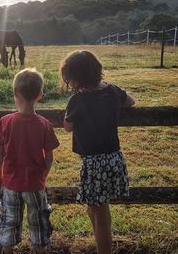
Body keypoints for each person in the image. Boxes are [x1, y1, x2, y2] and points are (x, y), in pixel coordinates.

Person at [60, 50, 135, 254]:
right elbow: (131, 101)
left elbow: (68, 126)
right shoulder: (112, 91)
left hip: (94, 163)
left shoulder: (78, 100)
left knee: (100, 215)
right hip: (113, 158)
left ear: (75, 77)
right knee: (94, 208)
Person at [0, 68, 60, 254]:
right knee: (38, 221)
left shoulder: (5, 122)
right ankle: (39, 249)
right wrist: (43, 177)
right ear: (40, 95)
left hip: (10, 184)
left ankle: (7, 250)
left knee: (10, 221)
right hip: (35, 184)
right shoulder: (45, 125)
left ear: (15, 93)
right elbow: (49, 157)